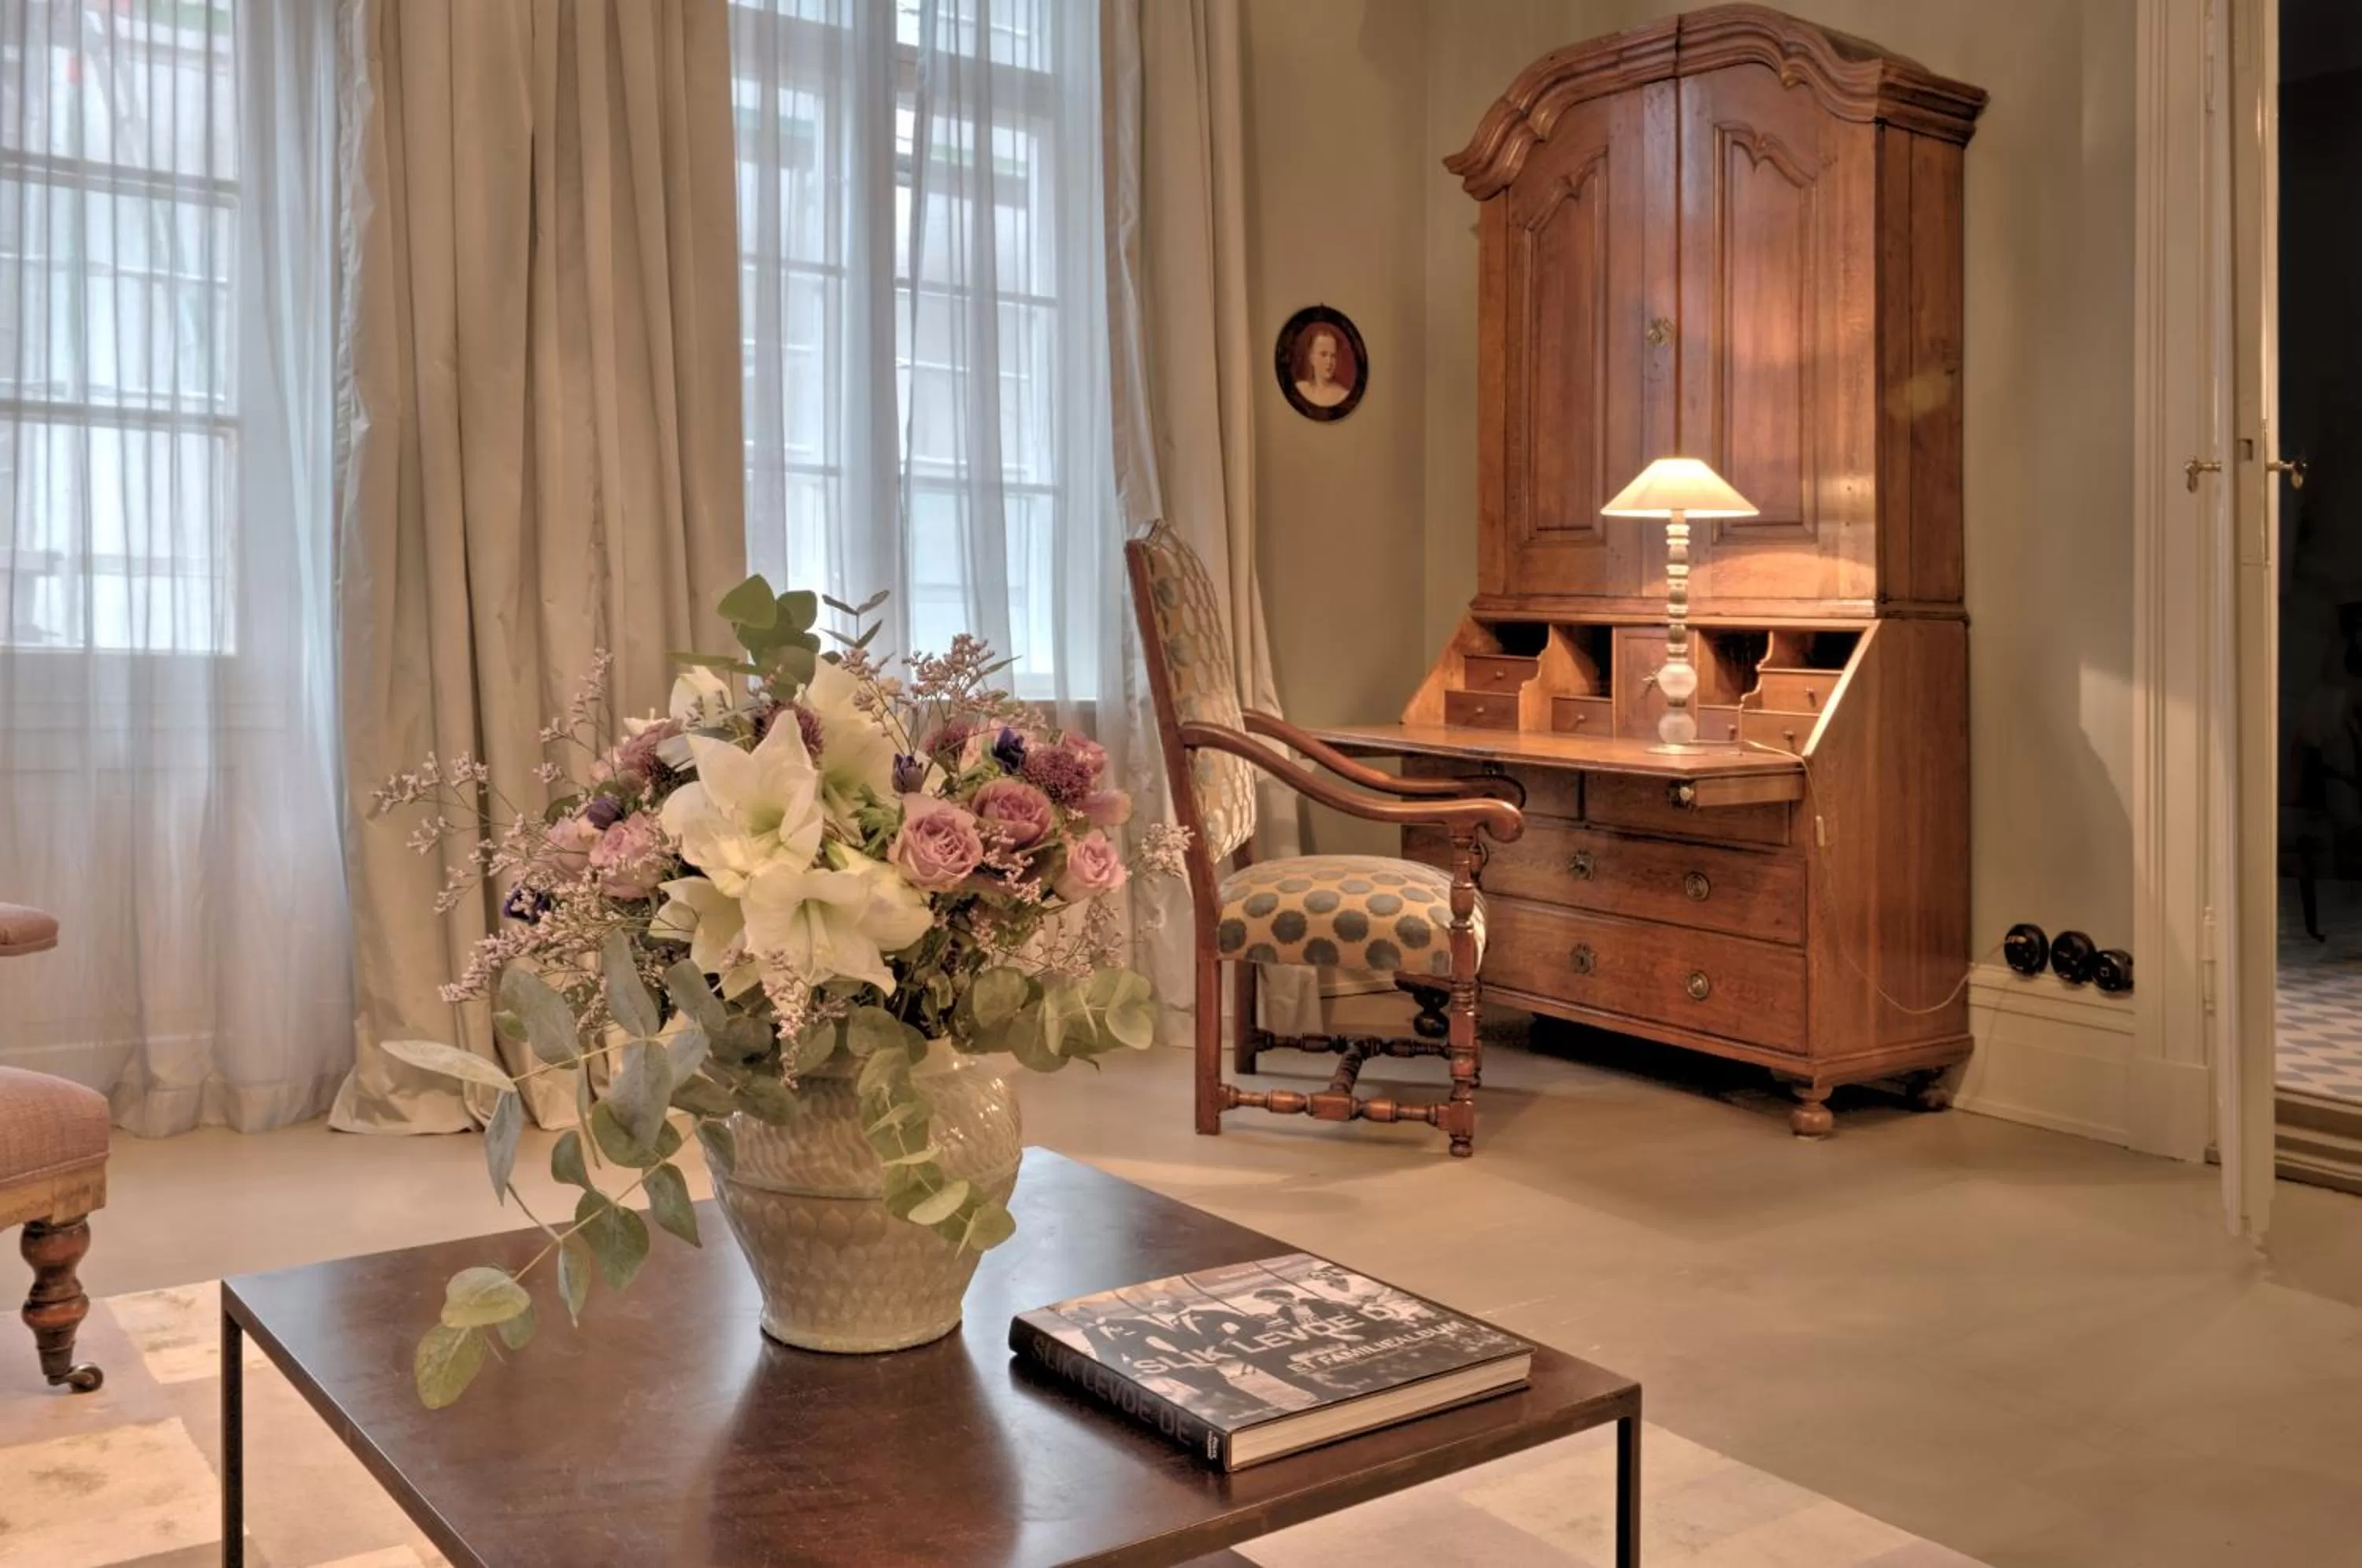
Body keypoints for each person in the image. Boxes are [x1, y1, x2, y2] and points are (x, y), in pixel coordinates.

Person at [1293, 324, 1352, 409]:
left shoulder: (1343, 396)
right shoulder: (1300, 389)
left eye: (1333, 356)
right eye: (1323, 354)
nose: (1330, 362)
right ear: (1312, 358)